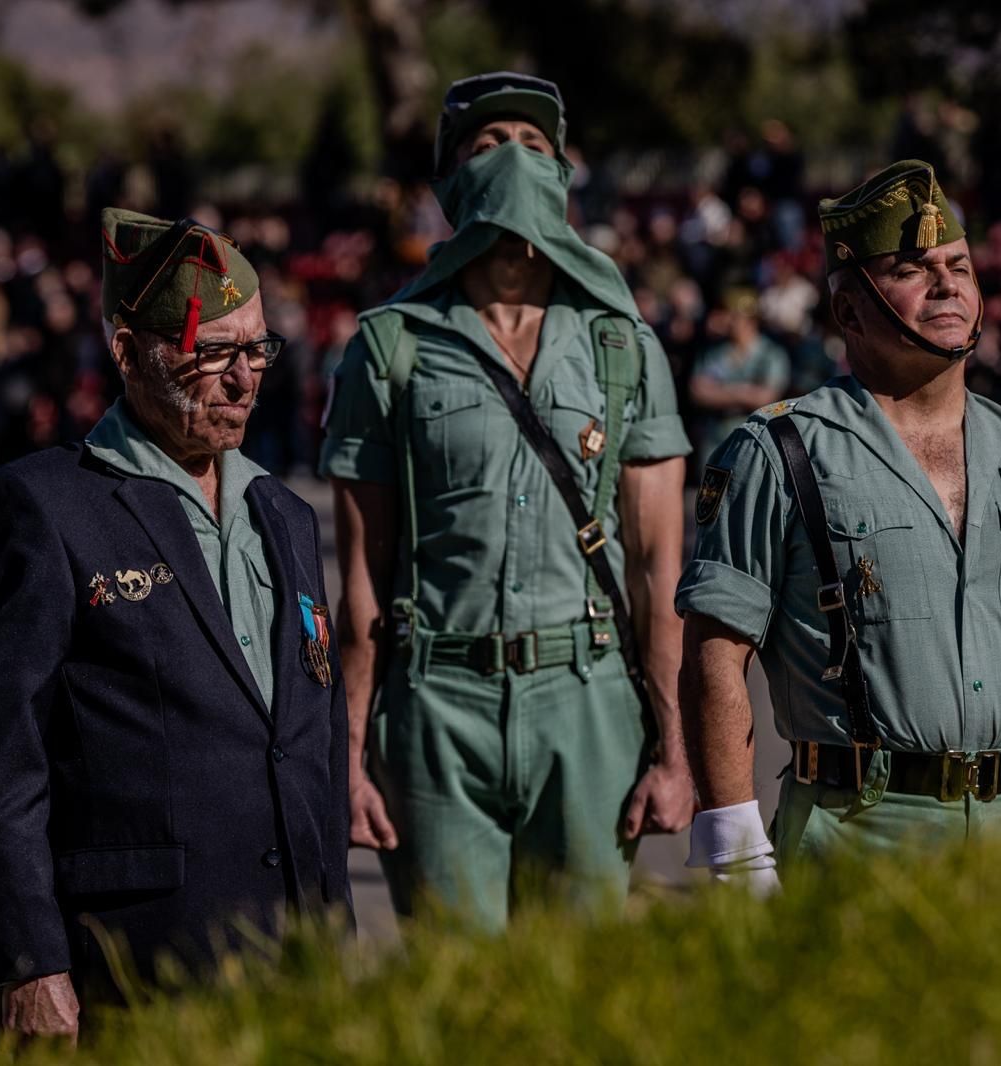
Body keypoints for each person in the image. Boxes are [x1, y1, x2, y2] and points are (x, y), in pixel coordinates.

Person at [677, 160, 1001, 893]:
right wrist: (734, 846)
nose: (947, 284)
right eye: (911, 268)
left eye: (959, 265)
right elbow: (716, 656)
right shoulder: (778, 452)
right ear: (848, 312)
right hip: (854, 832)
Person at [0, 209, 351, 1044]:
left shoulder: (282, 512)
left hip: (297, 959)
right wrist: (26, 961)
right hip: (134, 963)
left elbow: (305, 736)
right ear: (129, 353)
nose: (243, 380)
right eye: (212, 353)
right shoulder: (46, 508)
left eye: (257, 350)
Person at [321, 72, 695, 931]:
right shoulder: (391, 346)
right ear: (449, 185)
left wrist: (674, 754)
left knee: (578, 994)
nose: (514, 163)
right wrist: (346, 761)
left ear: (564, 174)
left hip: (588, 699)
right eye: (488, 148)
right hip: (435, 706)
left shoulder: (621, 345)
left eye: (534, 146)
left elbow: (657, 570)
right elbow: (362, 585)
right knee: (459, 993)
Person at [688, 288, 791, 464]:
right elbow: (698, 391)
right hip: (716, 440)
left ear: (749, 320)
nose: (725, 320)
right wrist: (743, 392)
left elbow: (766, 397)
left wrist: (720, 392)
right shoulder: (715, 352)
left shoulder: (770, 354)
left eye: (732, 315)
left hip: (755, 440)